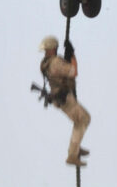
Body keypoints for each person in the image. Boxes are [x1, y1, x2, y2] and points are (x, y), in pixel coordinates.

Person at [39, 35, 91, 167]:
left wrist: (67, 59)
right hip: (65, 98)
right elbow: (73, 72)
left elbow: (63, 71)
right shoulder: (55, 62)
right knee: (83, 119)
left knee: (79, 120)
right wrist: (72, 56)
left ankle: (75, 148)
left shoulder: (46, 62)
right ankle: (72, 155)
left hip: (59, 97)